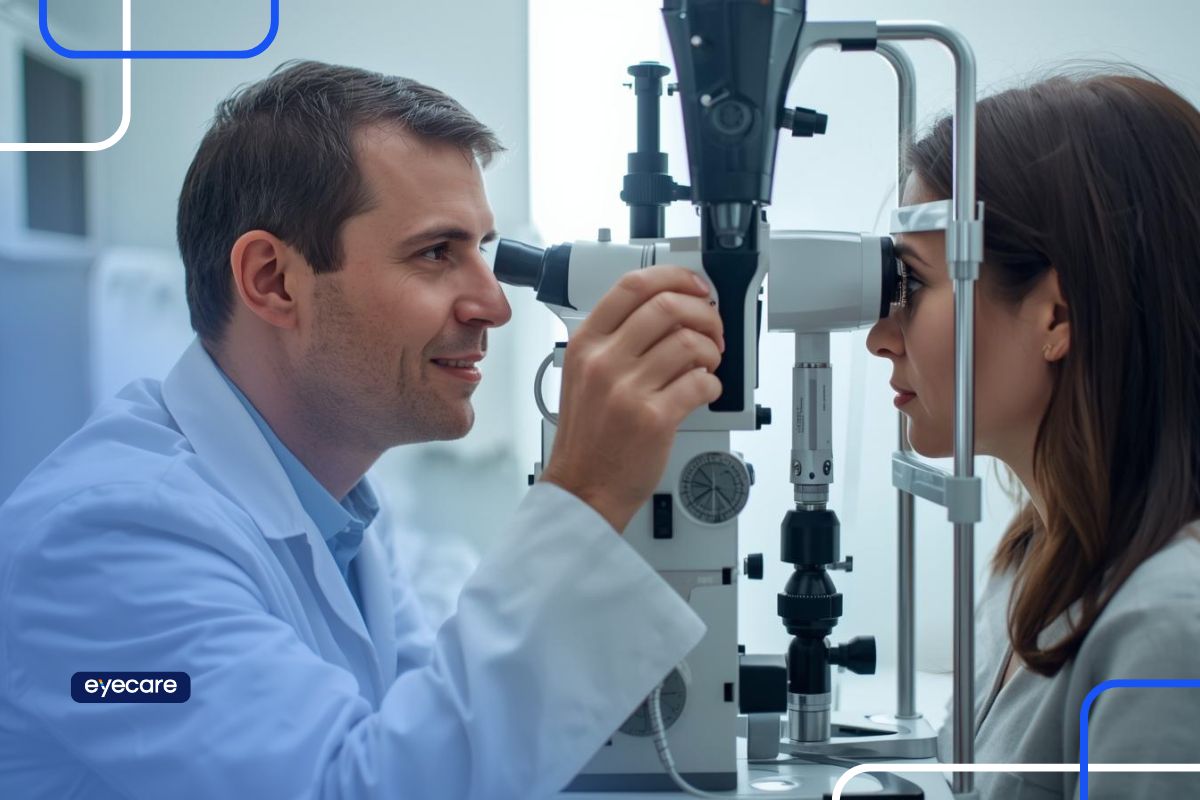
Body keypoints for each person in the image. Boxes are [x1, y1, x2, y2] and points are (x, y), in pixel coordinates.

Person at [0, 61, 725, 799]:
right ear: (273, 280)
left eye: (484, 249)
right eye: (436, 253)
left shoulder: (340, 507)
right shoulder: (104, 538)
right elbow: (356, 789)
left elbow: (427, 736)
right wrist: (588, 493)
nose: (493, 306)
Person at [868, 70, 1200, 799]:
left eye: (914, 285)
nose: (879, 337)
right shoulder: (1032, 558)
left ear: (1055, 317)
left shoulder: (1169, 625)